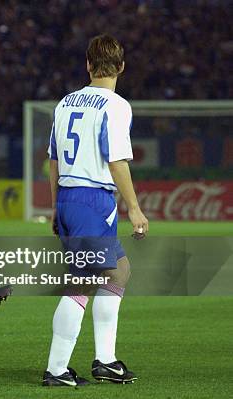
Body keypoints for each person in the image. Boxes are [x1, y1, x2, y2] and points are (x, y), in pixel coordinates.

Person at [44, 34, 148, 387]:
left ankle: (105, 360)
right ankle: (56, 369)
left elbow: (54, 160)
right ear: (121, 66)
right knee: (83, 283)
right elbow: (116, 160)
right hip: (93, 200)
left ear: (88, 65)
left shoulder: (65, 102)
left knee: (118, 271)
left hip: (72, 197)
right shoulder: (117, 106)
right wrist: (134, 208)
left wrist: (56, 206)